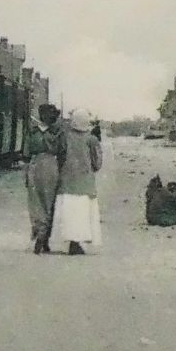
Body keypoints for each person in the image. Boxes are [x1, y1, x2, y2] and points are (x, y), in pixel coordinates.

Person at [50, 108, 104, 254]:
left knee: (68, 212)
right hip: (85, 184)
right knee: (83, 214)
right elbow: (97, 163)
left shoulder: (65, 137)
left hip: (67, 182)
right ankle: (77, 242)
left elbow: (59, 157)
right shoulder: (92, 139)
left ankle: (71, 242)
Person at [24, 103, 65, 254]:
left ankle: (38, 231)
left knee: (35, 202)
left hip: (35, 166)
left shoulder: (32, 131)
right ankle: (45, 237)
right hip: (52, 166)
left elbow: (26, 153)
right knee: (49, 203)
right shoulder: (58, 133)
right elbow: (63, 152)